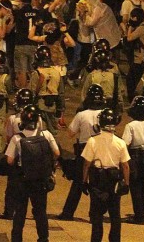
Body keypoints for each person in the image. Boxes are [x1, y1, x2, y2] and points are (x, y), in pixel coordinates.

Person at [6, 103, 59, 242]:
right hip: (40, 180)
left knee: (20, 212)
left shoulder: (17, 138)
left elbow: (9, 160)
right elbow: (57, 153)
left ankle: (17, 239)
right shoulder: (46, 135)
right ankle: (43, 238)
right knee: (40, 212)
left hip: (23, 180)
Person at [82, 107, 130, 242]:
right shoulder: (120, 142)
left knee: (97, 216)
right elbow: (125, 165)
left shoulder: (92, 141)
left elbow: (86, 163)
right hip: (114, 182)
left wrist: (84, 181)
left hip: (97, 181)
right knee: (115, 215)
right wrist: (126, 183)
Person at [58, 84, 106, 220]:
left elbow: (70, 134)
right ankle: (95, 215)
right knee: (97, 182)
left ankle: (68, 213)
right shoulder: (106, 113)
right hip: (101, 148)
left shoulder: (81, 114)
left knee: (78, 181)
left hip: (84, 149)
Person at [122, 96, 144, 224]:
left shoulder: (131, 125)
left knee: (135, 185)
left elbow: (125, 144)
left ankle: (139, 216)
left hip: (135, 155)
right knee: (142, 182)